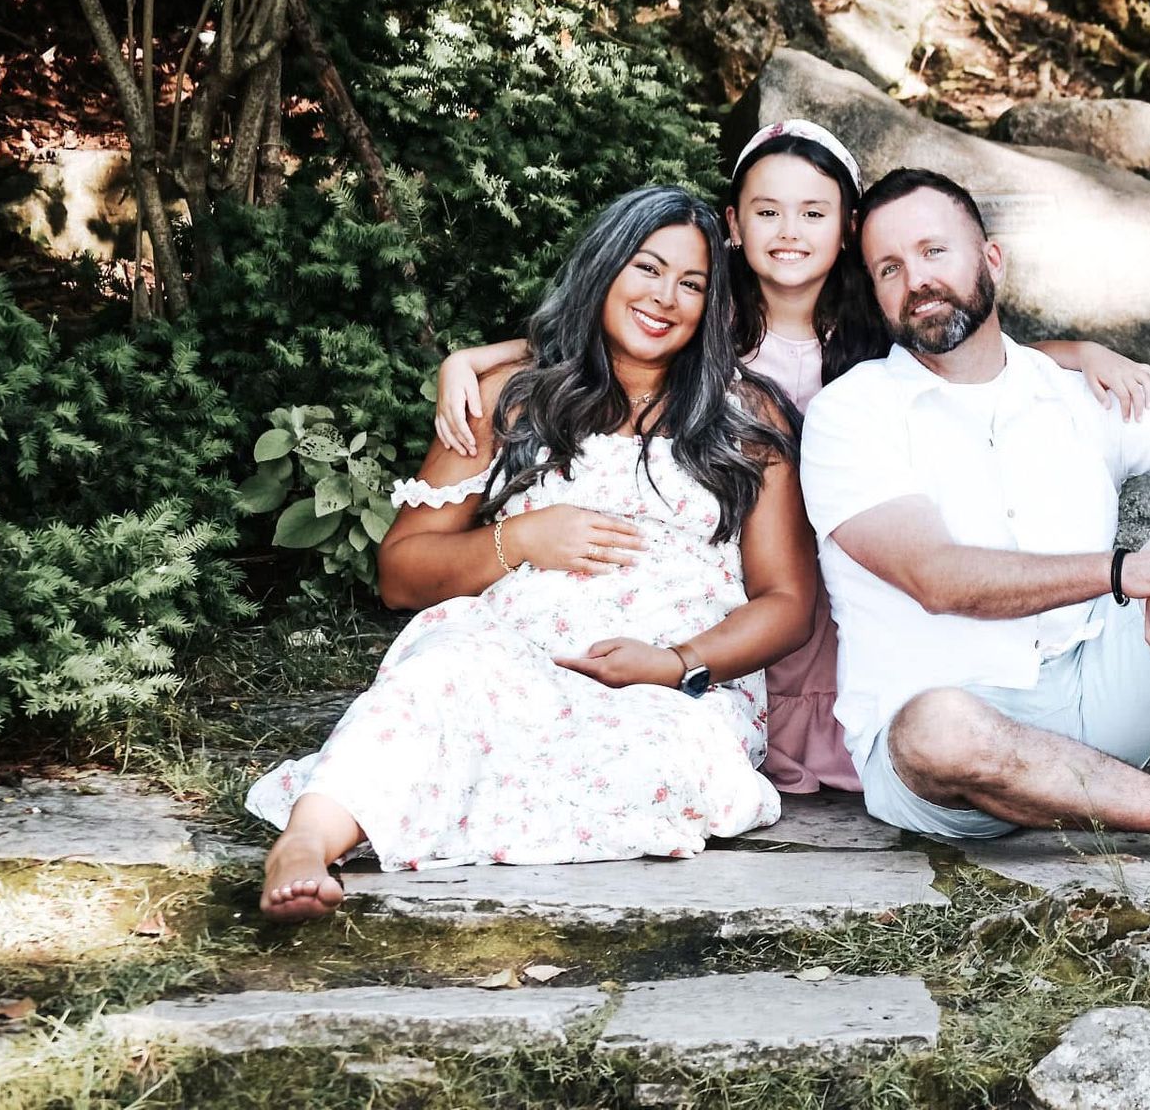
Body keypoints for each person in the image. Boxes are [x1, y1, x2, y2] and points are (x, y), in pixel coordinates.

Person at [430, 121, 1150, 795]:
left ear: (846, 230)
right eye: (767, 210)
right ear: (732, 225)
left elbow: (977, 348)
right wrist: (481, 357)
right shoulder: (706, 318)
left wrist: (1079, 353)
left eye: (814, 213)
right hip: (739, 578)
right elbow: (604, 335)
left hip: (852, 579)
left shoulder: (880, 326)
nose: (788, 231)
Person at [798, 168, 1150, 903]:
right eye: (890, 268)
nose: (917, 281)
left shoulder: (1080, 393)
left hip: (1096, 696)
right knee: (937, 727)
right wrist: (1132, 571)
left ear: (991, 261)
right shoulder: (853, 413)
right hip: (945, 751)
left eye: (934, 252)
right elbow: (937, 576)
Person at [249, 185, 817, 922]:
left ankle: (449, 800)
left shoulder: (746, 418)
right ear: (604, 268)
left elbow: (788, 603)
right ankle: (306, 844)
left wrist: (675, 662)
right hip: (507, 653)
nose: (665, 297)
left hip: (665, 685)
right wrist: (520, 538)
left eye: (692, 284)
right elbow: (400, 573)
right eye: (646, 268)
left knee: (665, 759)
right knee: (439, 684)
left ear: (712, 307)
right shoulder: (511, 401)